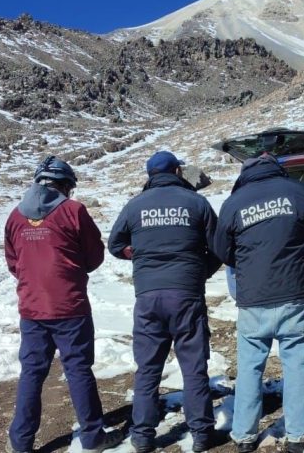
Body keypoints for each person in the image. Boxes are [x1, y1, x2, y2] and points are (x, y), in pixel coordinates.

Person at [214, 154, 304, 453]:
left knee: (249, 367)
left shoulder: (235, 201)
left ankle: (244, 435)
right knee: (296, 364)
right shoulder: (298, 192)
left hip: (254, 298)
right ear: (278, 169)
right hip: (296, 294)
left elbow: (221, 249)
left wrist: (247, 260)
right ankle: (299, 435)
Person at [4, 155, 124, 453]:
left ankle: (20, 441)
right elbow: (94, 256)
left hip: (32, 308)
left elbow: (13, 262)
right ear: (66, 185)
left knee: (32, 373)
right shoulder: (74, 211)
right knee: (79, 370)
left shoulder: (15, 216)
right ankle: (93, 437)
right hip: (70, 306)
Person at [108, 151, 222, 453]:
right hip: (186, 295)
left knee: (148, 369)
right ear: (176, 171)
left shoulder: (135, 205)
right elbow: (220, 247)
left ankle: (143, 437)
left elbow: (115, 244)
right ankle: (201, 435)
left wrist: (140, 257)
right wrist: (199, 273)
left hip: (148, 297)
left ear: (150, 175)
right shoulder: (197, 203)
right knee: (194, 367)